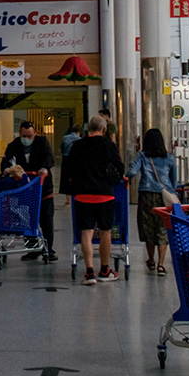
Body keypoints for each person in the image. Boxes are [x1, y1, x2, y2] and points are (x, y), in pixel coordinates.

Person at [62, 113, 126, 284]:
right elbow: (120, 167)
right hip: (105, 195)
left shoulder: (78, 146)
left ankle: (89, 273)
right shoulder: (108, 145)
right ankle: (104, 270)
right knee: (106, 232)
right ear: (104, 129)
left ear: (88, 129)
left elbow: (68, 169)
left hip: (83, 195)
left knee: (86, 232)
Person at [1, 118, 58, 261]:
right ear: (19, 134)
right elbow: (6, 161)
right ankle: (32, 249)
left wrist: (44, 168)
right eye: (24, 136)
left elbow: (49, 157)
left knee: (46, 220)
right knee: (26, 219)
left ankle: (48, 249)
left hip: (43, 187)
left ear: (35, 134)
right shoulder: (13, 146)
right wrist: (6, 169)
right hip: (24, 189)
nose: (27, 139)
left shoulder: (42, 143)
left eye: (30, 136)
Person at [129, 128, 178, 276]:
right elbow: (174, 180)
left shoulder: (143, 156)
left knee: (148, 228)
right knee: (163, 228)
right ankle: (161, 265)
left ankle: (151, 260)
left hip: (146, 196)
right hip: (164, 197)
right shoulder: (169, 158)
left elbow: (132, 172)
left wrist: (125, 178)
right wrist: (171, 191)